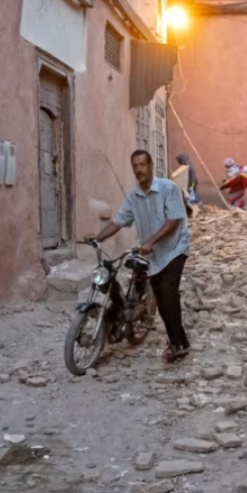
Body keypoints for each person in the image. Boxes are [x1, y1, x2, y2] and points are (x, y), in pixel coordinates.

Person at [90, 150, 191, 364]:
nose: (139, 170)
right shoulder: (133, 197)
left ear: (151, 165)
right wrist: (97, 238)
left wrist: (150, 242)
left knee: (168, 294)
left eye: (143, 164)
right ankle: (180, 341)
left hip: (174, 248)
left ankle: (177, 345)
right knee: (162, 300)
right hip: (153, 254)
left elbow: (174, 221)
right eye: (135, 165)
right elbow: (118, 221)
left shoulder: (168, 188)